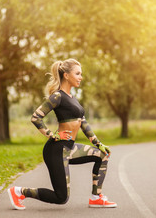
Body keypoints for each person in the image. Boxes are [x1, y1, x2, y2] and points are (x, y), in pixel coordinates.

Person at [8, 58, 117, 210]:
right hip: (56, 151)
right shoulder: (57, 96)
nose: (81, 77)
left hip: (69, 148)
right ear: (66, 75)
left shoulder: (74, 100)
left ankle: (96, 197)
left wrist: (99, 144)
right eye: (78, 73)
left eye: (81, 74)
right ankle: (19, 192)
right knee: (61, 198)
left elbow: (83, 124)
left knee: (103, 155)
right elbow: (36, 117)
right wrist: (53, 135)